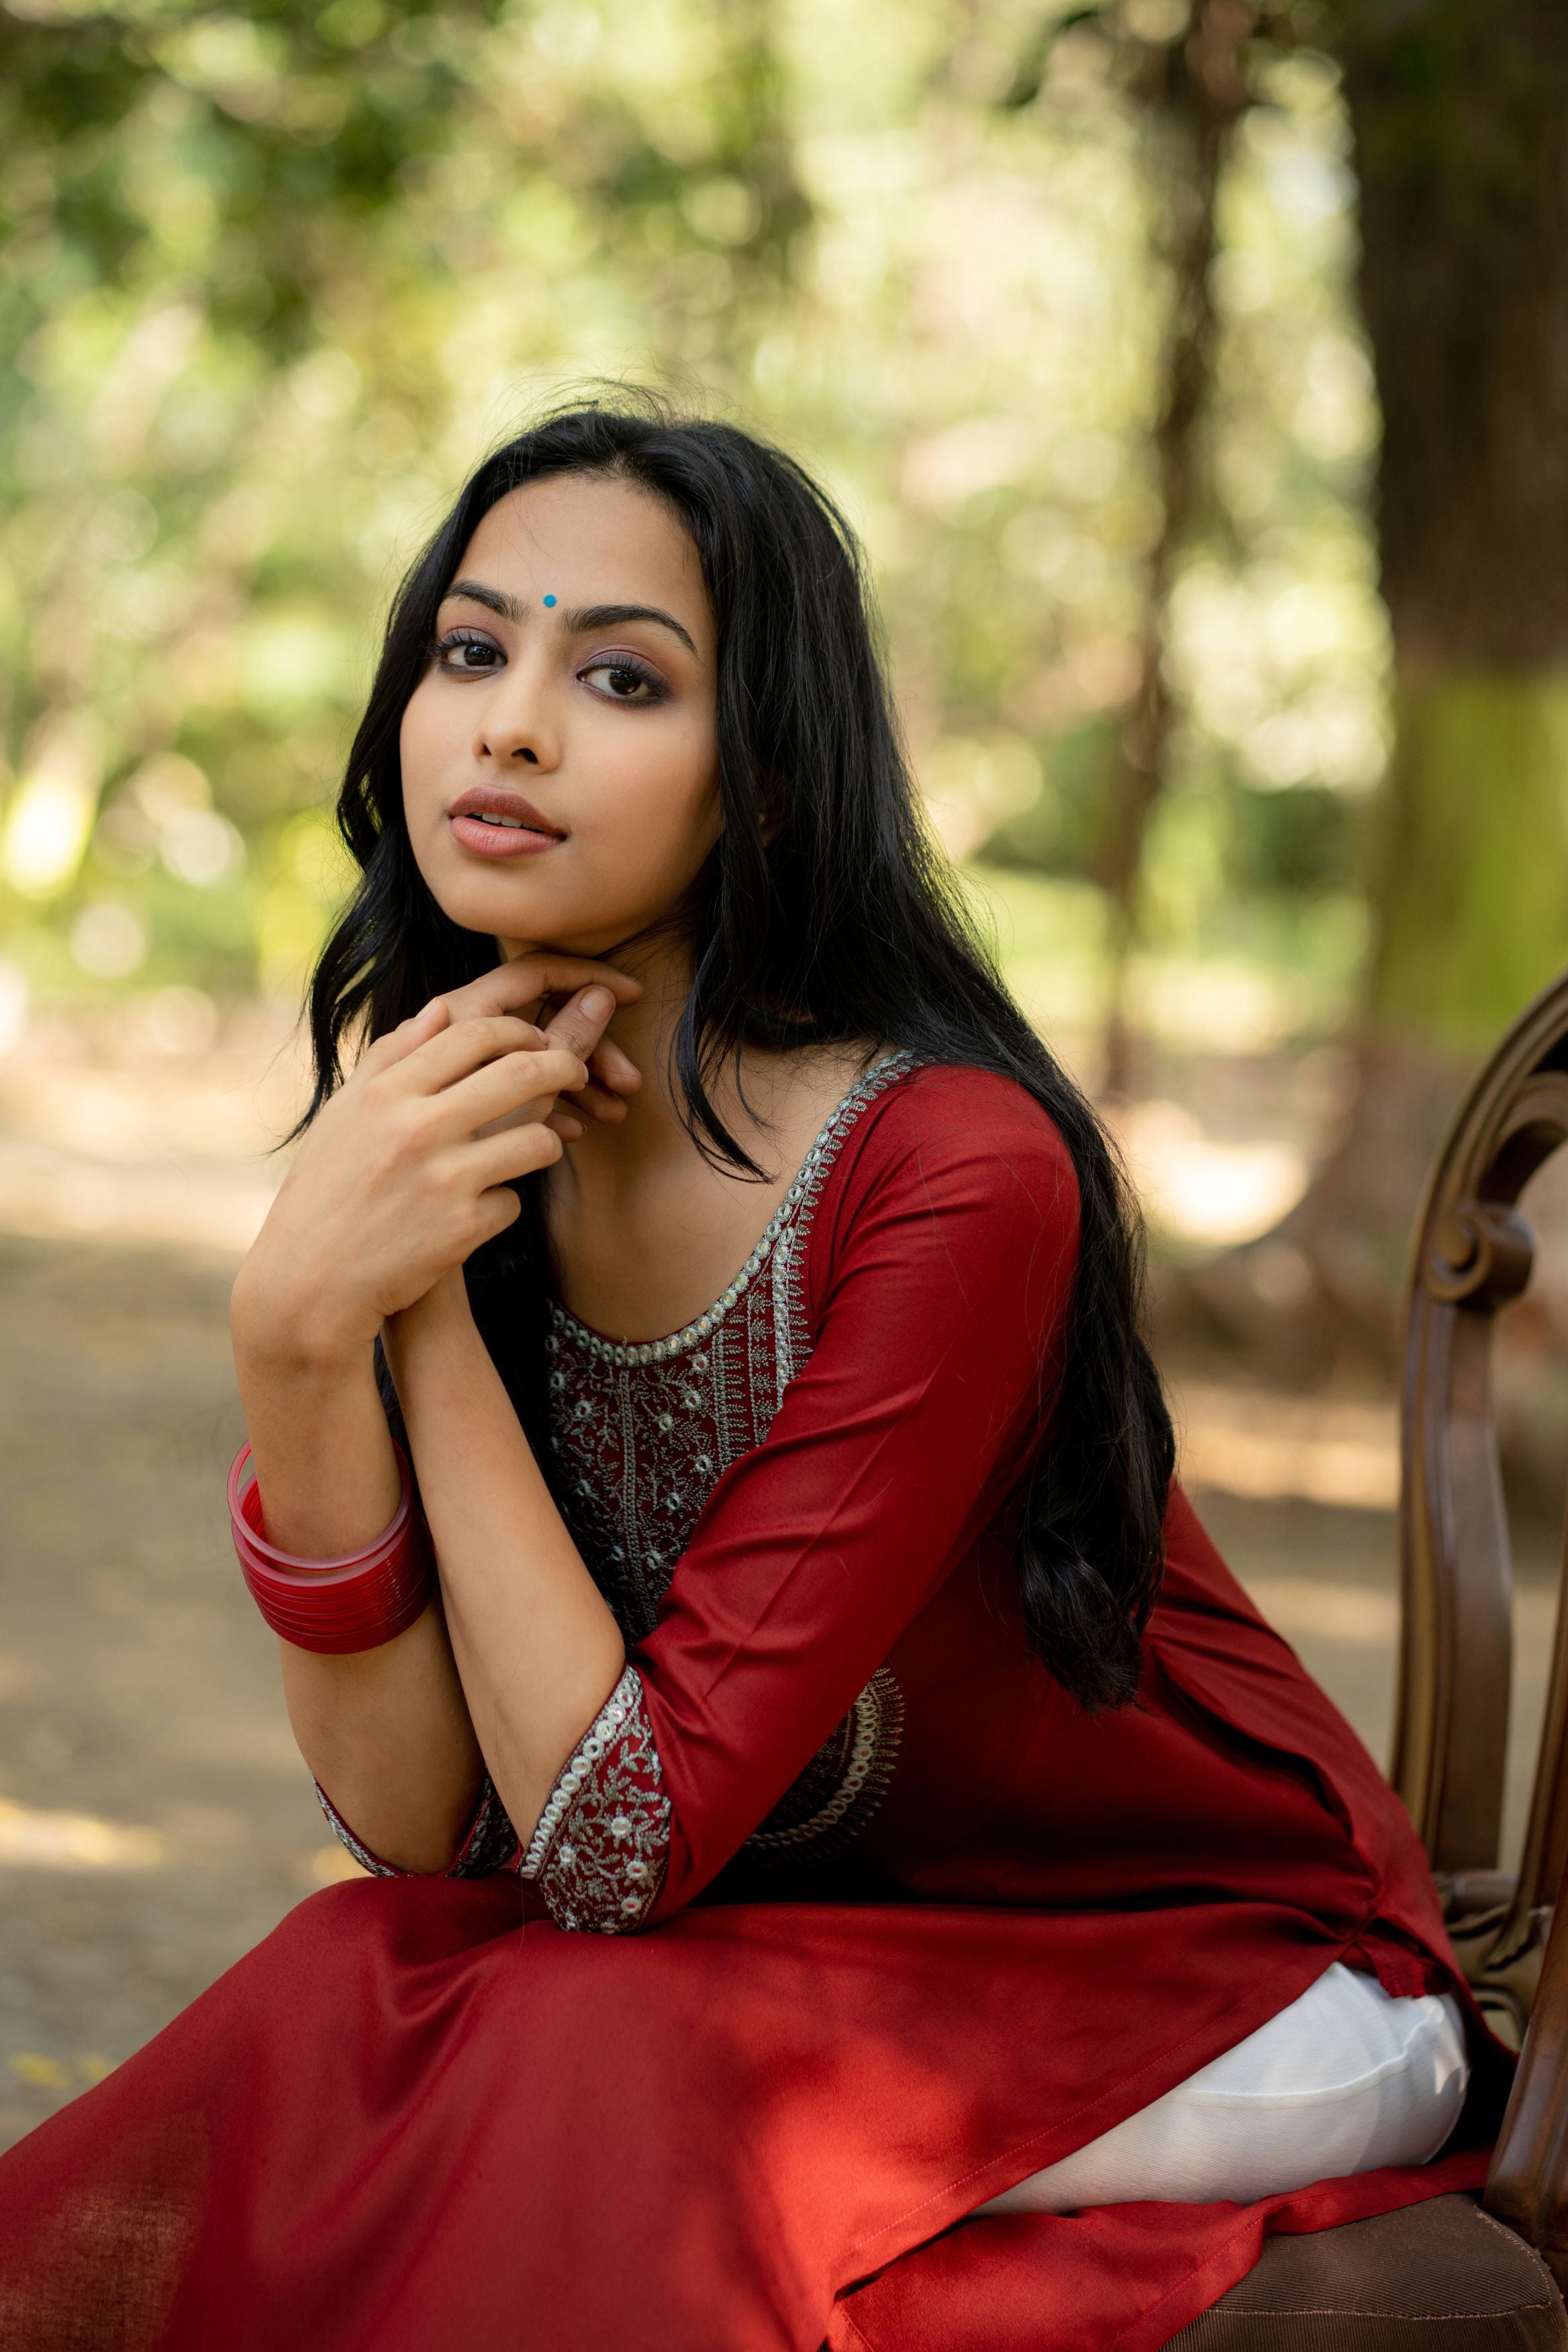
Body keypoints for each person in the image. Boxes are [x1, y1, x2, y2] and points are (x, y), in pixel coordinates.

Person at [0, 400, 1504, 2351]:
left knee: (592, 2046)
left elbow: (612, 1855)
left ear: (771, 781)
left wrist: (414, 1309)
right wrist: (302, 1335)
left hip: (1218, 1969)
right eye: (471, 650)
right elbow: (428, 1833)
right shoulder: (472, 1127)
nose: (511, 722)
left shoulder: (954, 1170)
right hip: (806, 1952)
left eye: (618, 675)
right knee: (358, 1969)